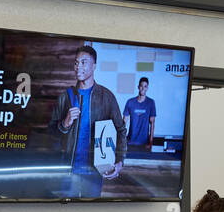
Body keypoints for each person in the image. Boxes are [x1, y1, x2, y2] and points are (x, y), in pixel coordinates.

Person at [48, 45, 127, 198]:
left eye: (84, 62)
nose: (78, 67)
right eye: (76, 62)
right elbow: (51, 132)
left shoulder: (107, 97)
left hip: (94, 173)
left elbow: (121, 130)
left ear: (94, 66)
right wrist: (65, 124)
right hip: (67, 172)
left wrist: (120, 161)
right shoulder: (65, 97)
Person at [124, 77, 156, 153]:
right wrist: (122, 141)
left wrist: (150, 143)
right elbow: (124, 122)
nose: (143, 88)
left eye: (145, 86)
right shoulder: (130, 102)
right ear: (138, 87)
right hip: (130, 142)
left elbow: (152, 124)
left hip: (144, 143)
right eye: (141, 86)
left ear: (147, 88)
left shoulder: (151, 102)